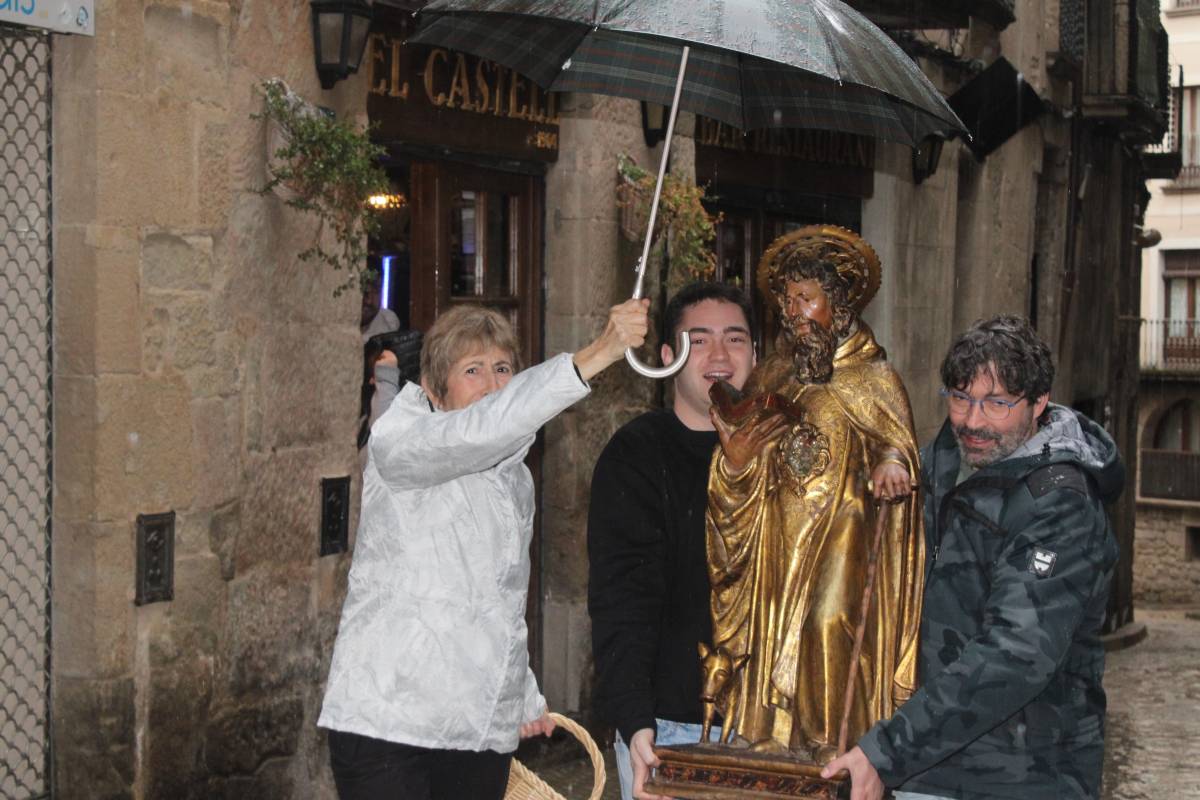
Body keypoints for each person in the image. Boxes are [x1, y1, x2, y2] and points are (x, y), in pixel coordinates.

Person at [320, 298, 650, 800]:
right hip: (387, 721)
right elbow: (482, 428)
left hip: (475, 728)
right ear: (434, 389)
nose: (495, 384)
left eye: (503, 368)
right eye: (473, 370)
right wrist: (602, 350)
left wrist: (522, 695)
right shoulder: (402, 440)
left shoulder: (514, 479)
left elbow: (500, 602)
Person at [822, 314, 1124, 800]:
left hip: (1022, 777)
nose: (972, 420)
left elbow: (1017, 653)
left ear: (1039, 403)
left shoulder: (1061, 503)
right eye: (960, 398)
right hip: (923, 772)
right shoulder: (934, 464)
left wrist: (888, 750)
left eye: (997, 403)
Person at [706, 226, 925, 762]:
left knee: (828, 623)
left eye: (806, 298)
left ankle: (829, 745)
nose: (794, 312)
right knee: (774, 632)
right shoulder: (774, 373)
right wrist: (736, 459)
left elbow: (897, 445)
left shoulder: (874, 378)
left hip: (842, 530)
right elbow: (741, 463)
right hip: (778, 534)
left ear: (840, 304)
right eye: (787, 300)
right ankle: (772, 735)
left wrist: (892, 465)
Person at [588, 282, 757, 800]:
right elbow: (622, 599)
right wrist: (637, 723)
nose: (720, 356)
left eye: (736, 339)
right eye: (699, 340)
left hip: (768, 730)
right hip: (670, 728)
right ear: (667, 356)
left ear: (756, 354)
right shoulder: (638, 453)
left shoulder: (781, 451)